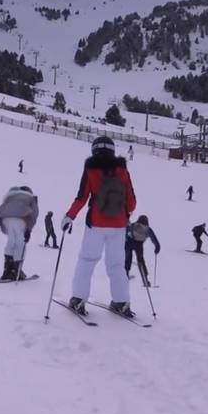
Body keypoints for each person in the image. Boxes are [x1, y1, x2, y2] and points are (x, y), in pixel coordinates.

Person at [61, 136, 137, 318]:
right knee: (117, 265)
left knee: (87, 260)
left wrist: (69, 216)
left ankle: (78, 299)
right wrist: (123, 215)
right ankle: (121, 302)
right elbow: (132, 202)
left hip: (96, 224)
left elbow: (82, 197)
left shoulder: (91, 169)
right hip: (119, 225)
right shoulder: (123, 171)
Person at [0, 186, 39, 281]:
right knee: (20, 243)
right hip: (21, 219)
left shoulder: (10, 198)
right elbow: (34, 214)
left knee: (11, 241)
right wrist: (28, 230)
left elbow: (0, 211)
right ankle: (16, 271)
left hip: (7, 219)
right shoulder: (31, 199)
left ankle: (7, 271)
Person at [125, 215, 160, 287]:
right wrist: (157, 247)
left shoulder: (134, 225)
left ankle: (125, 275)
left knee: (128, 258)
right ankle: (145, 280)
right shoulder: (148, 229)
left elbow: (126, 231)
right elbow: (154, 238)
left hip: (129, 242)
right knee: (141, 261)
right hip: (139, 244)